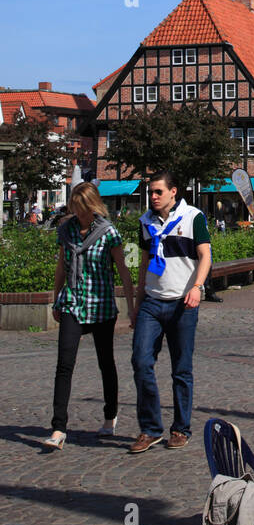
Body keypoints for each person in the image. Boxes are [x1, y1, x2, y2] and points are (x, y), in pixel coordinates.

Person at [41, 183, 137, 448]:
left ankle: (110, 416)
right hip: (72, 303)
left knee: (105, 362)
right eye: (74, 207)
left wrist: (131, 307)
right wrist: (56, 298)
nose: (77, 212)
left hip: (101, 304)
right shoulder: (67, 230)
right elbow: (62, 265)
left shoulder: (108, 233)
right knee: (64, 364)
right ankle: (59, 428)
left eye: (81, 207)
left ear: (91, 205)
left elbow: (123, 271)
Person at [130, 171, 211, 453]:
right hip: (152, 302)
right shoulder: (145, 222)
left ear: (173, 191)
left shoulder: (193, 218)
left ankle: (180, 428)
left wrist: (197, 287)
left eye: (158, 192)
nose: (152, 197)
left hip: (182, 303)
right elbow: (144, 262)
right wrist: (137, 301)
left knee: (181, 368)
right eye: (150, 192)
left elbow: (205, 255)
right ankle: (150, 429)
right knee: (140, 362)